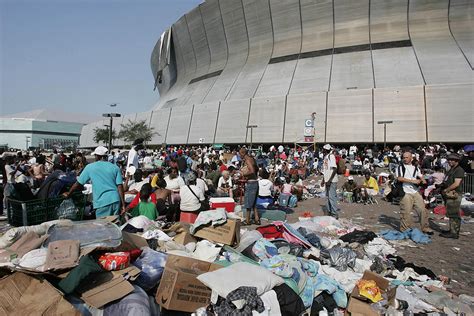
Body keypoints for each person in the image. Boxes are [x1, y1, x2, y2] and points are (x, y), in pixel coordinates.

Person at [64, 146, 125, 217]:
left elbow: (78, 183)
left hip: (102, 202)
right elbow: (120, 187)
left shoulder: (90, 167)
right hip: (115, 200)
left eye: (95, 155)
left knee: (102, 226)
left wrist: (69, 193)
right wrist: (123, 205)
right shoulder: (115, 167)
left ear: (98, 156)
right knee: (114, 225)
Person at [396, 151, 432, 234]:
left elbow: (420, 176)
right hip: (405, 191)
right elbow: (399, 178)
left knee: (422, 210)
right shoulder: (400, 167)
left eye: (406, 157)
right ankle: (405, 229)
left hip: (415, 191)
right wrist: (413, 181)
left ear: (411, 158)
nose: (404, 159)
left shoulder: (416, 168)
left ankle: (425, 228)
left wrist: (423, 181)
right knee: (406, 212)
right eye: (403, 157)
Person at [439, 153, 464, 239]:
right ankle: (451, 230)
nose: (450, 161)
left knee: (454, 214)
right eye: (449, 160)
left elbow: (456, 183)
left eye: (452, 160)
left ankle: (454, 233)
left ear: (457, 161)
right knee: (450, 213)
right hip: (450, 194)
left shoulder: (459, 170)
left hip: (454, 194)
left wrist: (446, 190)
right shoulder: (451, 169)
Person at [240, 148, 259, 225]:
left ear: (242, 153)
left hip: (251, 183)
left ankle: (247, 220)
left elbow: (252, 171)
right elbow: (255, 170)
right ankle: (257, 219)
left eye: (240, 154)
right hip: (255, 182)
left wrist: (243, 174)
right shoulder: (252, 159)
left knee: (248, 203)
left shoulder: (247, 160)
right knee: (254, 203)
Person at [321, 144, 339, 218]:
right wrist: (323, 180)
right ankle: (329, 212)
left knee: (332, 197)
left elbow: (335, 169)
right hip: (327, 180)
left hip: (331, 180)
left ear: (325, 149)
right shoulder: (325, 157)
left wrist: (330, 180)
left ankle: (334, 214)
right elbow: (326, 170)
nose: (322, 150)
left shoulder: (331, 156)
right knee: (328, 197)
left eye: (323, 149)